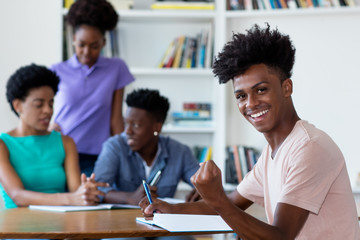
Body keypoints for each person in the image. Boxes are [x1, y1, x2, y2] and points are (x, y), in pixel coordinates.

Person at [140, 24, 360, 239]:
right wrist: (168, 207)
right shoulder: (273, 153)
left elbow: (280, 237)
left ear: (287, 88)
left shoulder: (309, 147)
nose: (251, 103)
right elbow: (233, 202)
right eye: (241, 96)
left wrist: (217, 198)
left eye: (261, 90)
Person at [0, 64, 107, 209]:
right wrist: (70, 199)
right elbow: (18, 196)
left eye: (51, 103)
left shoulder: (66, 142)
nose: (48, 111)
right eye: (39, 104)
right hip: (18, 226)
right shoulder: (3, 144)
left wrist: (85, 192)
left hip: (60, 226)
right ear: (18, 105)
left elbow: (76, 192)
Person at [50, 0, 135, 176]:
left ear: (104, 42)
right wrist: (49, 125)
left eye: (94, 46)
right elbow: (44, 109)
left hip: (97, 156)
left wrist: (123, 156)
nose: (87, 52)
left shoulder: (116, 68)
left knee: (94, 200)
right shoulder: (56, 70)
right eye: (81, 44)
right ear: (73, 39)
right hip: (59, 152)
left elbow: (116, 119)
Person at [94, 88, 200, 206]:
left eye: (135, 125)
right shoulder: (114, 146)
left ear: (157, 127)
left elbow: (203, 183)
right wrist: (129, 198)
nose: (127, 131)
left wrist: (203, 191)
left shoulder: (180, 152)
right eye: (126, 123)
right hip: (121, 219)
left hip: (161, 220)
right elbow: (96, 190)